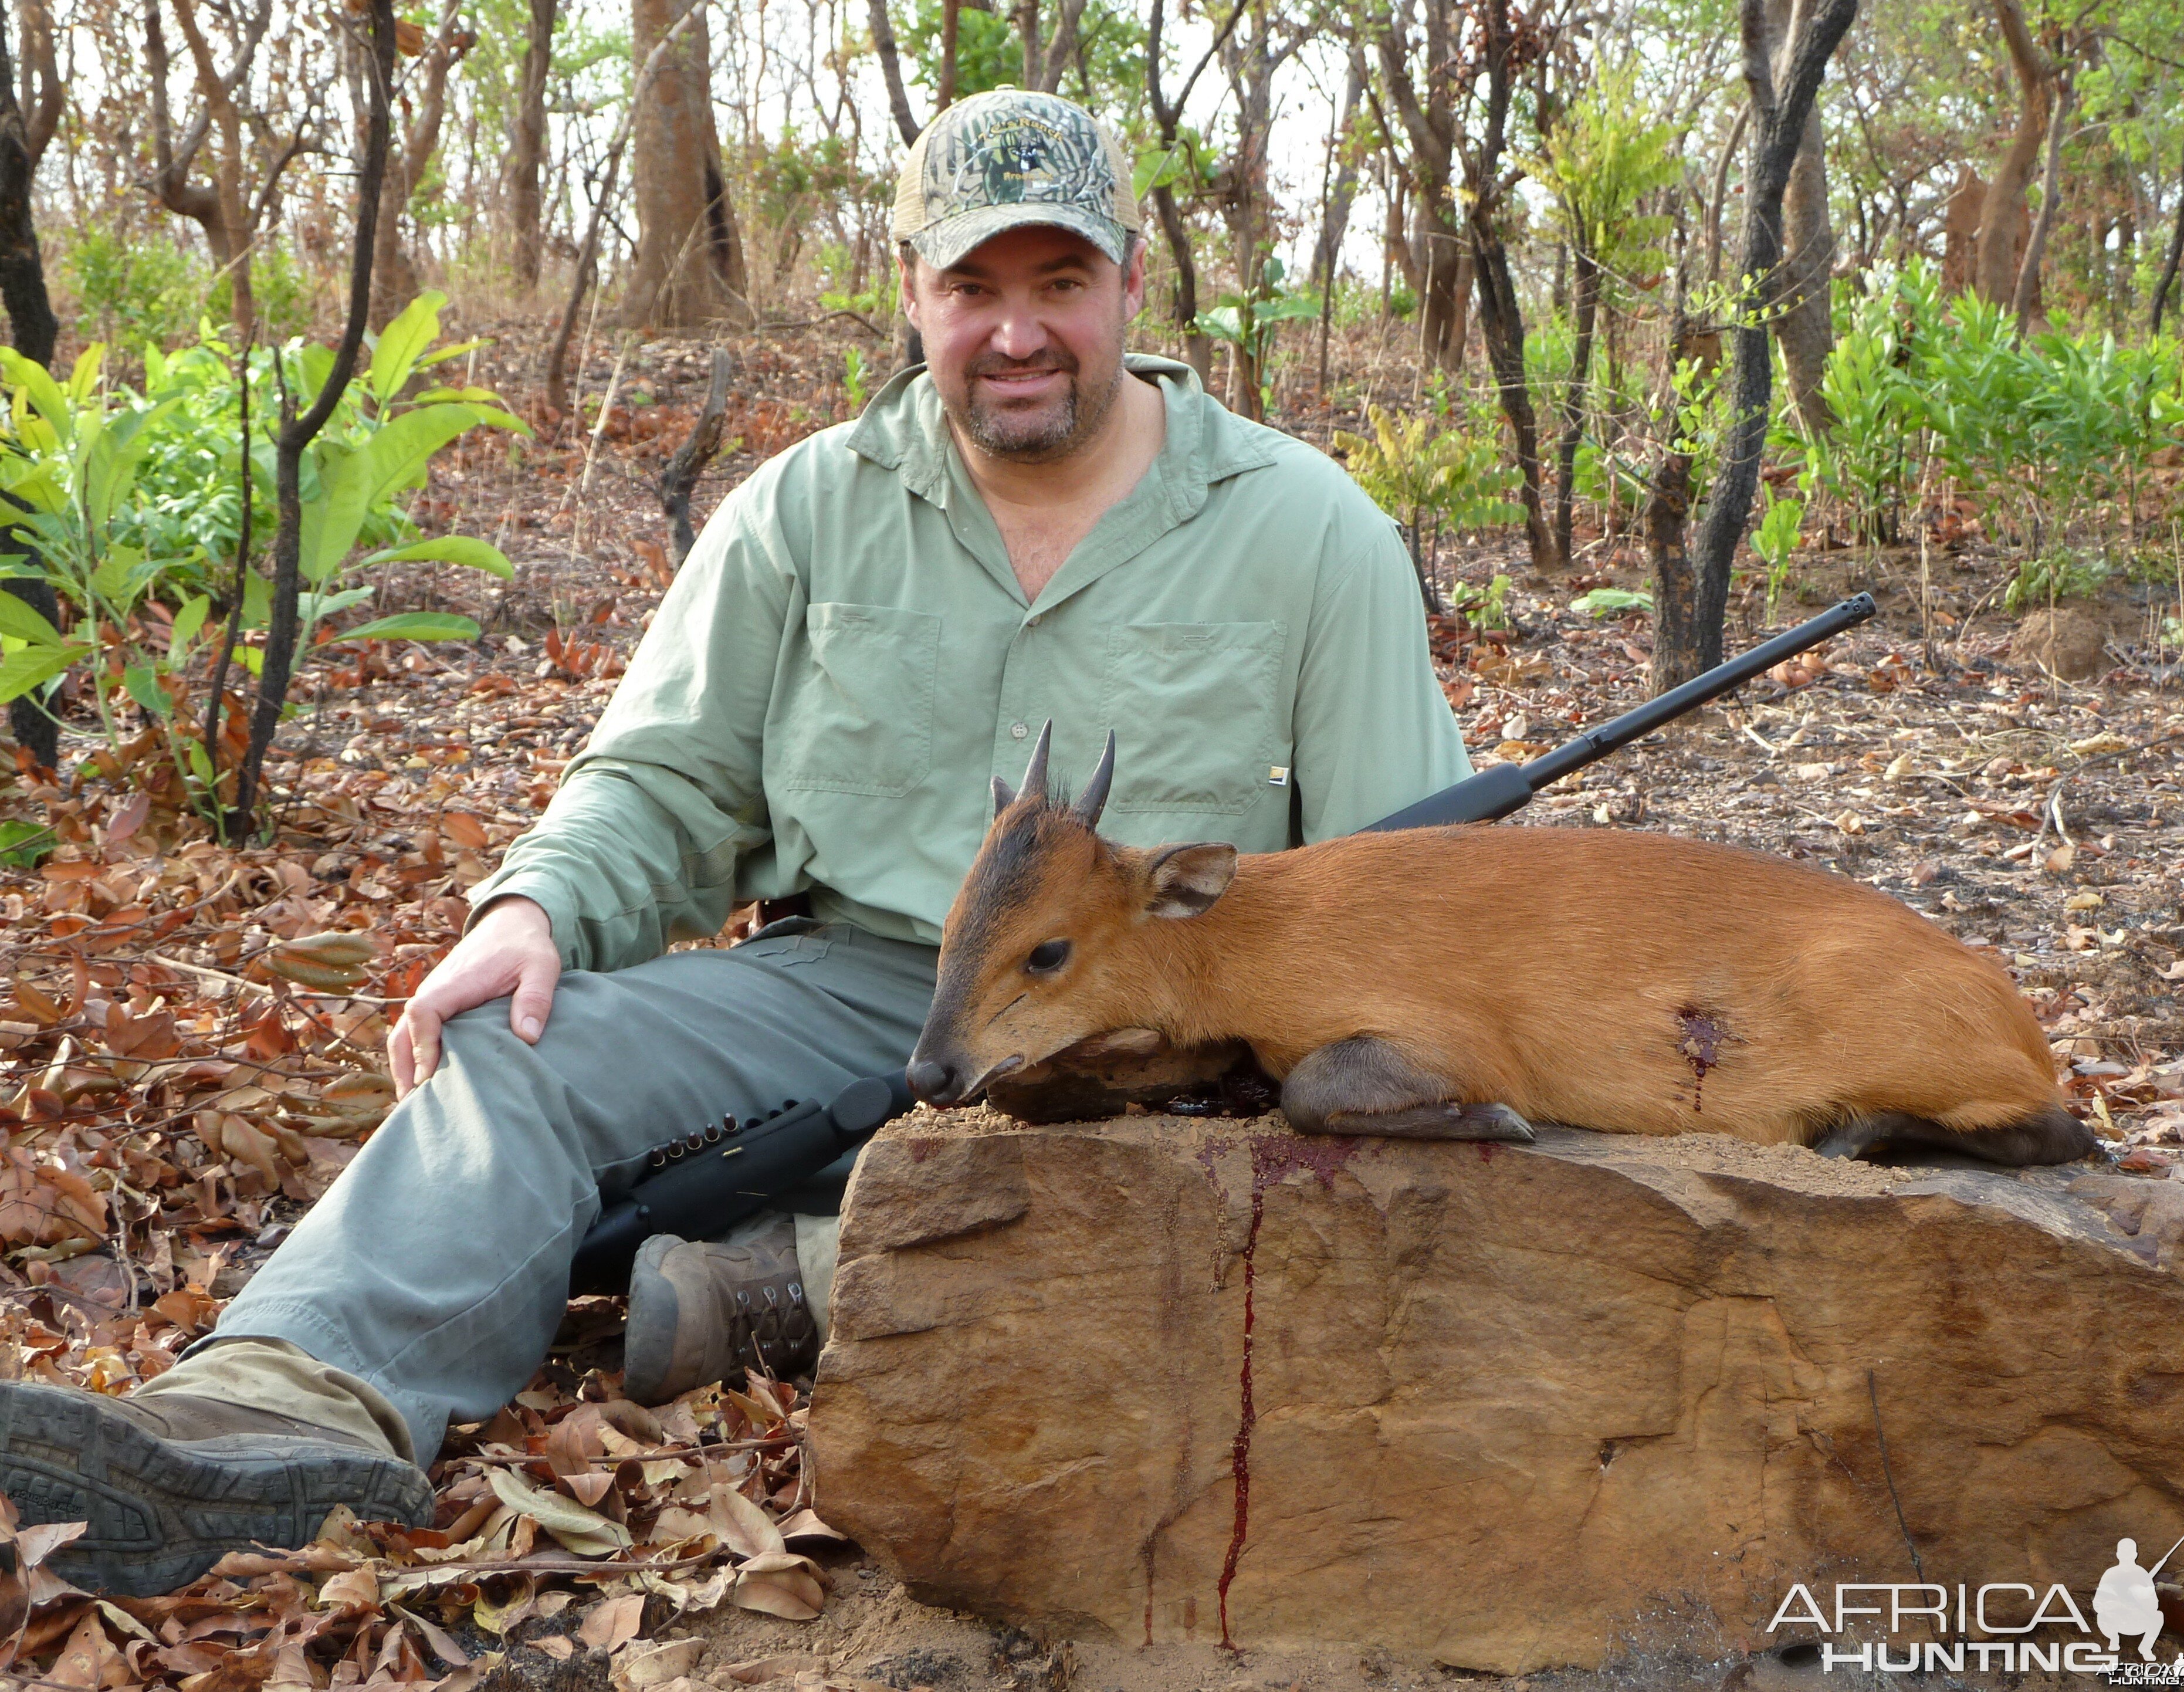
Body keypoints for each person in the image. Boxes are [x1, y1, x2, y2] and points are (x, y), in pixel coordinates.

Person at [0, 89, 1468, 1597]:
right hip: (845, 987)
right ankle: (266, 1415)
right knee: (515, 1047)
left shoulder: (1308, 530)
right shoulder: (801, 515)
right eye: (972, 288)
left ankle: (787, 1276)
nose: (1015, 334)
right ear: (912, 293)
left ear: (1130, 287)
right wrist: (539, 905)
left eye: (1057, 285)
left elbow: (1415, 887)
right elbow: (663, 777)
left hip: (1166, 1050)